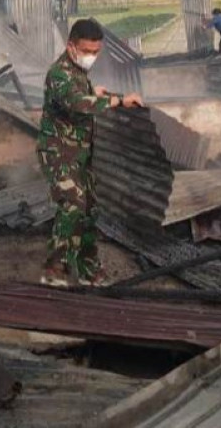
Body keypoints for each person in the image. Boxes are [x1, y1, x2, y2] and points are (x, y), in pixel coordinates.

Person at [37, 18, 144, 287]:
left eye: (96, 52)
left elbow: (81, 93)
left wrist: (94, 91)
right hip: (59, 151)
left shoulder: (77, 72)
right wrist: (116, 100)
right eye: (87, 51)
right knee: (73, 203)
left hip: (80, 152)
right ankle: (53, 269)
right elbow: (76, 103)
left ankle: (87, 268)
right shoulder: (58, 72)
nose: (91, 57)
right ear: (71, 46)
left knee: (88, 209)